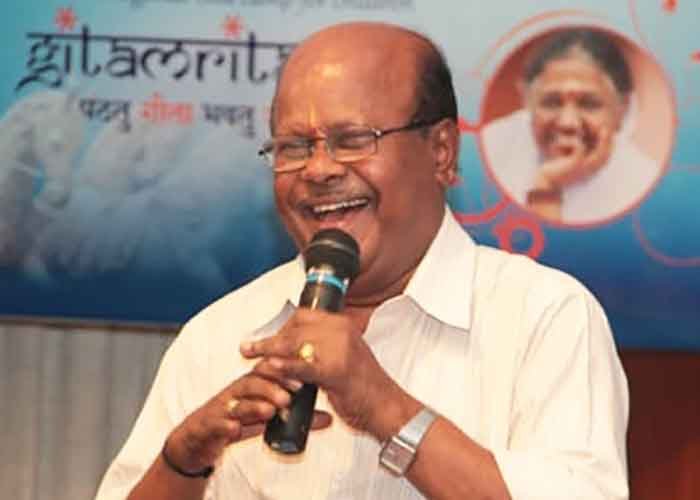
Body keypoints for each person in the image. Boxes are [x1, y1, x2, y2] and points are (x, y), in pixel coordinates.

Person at [95, 22, 629, 500]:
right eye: (294, 147)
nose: (318, 170)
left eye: (352, 140)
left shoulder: (544, 317)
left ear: (441, 151)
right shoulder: (220, 335)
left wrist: (384, 406)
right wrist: (183, 461)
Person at [482, 28, 660, 224]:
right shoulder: (489, 149)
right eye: (552, 102)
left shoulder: (646, 183)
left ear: (622, 109)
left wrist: (546, 186)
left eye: (589, 104)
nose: (568, 123)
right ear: (527, 100)